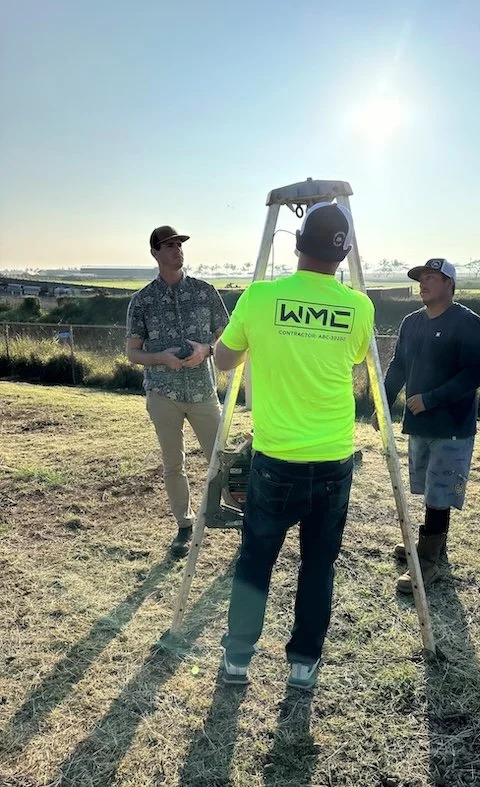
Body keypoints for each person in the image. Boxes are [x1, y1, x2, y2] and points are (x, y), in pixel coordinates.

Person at [214, 202, 374, 689]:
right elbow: (351, 360)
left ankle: (238, 660)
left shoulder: (260, 297)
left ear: (296, 243)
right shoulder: (359, 307)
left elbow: (223, 360)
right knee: (318, 565)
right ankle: (304, 664)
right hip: (332, 458)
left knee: (256, 559)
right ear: (344, 253)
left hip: (276, 458)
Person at [373, 258, 480, 593]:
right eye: (421, 278)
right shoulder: (411, 323)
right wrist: (384, 403)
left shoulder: (468, 323)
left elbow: (474, 374)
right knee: (426, 488)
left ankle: (428, 562)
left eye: (432, 278)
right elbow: (398, 366)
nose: (423, 283)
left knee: (440, 492)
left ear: (449, 284)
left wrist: (431, 398)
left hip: (451, 424)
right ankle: (433, 547)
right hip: (419, 424)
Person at [126, 225, 229, 557]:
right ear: (155, 252)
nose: (176, 250)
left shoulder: (205, 292)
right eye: (168, 245)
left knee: (222, 460)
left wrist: (206, 350)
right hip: (163, 394)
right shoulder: (141, 301)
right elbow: (133, 352)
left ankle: (240, 519)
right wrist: (162, 359)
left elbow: (227, 340)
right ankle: (184, 527)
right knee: (174, 463)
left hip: (203, 392)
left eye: (179, 244)